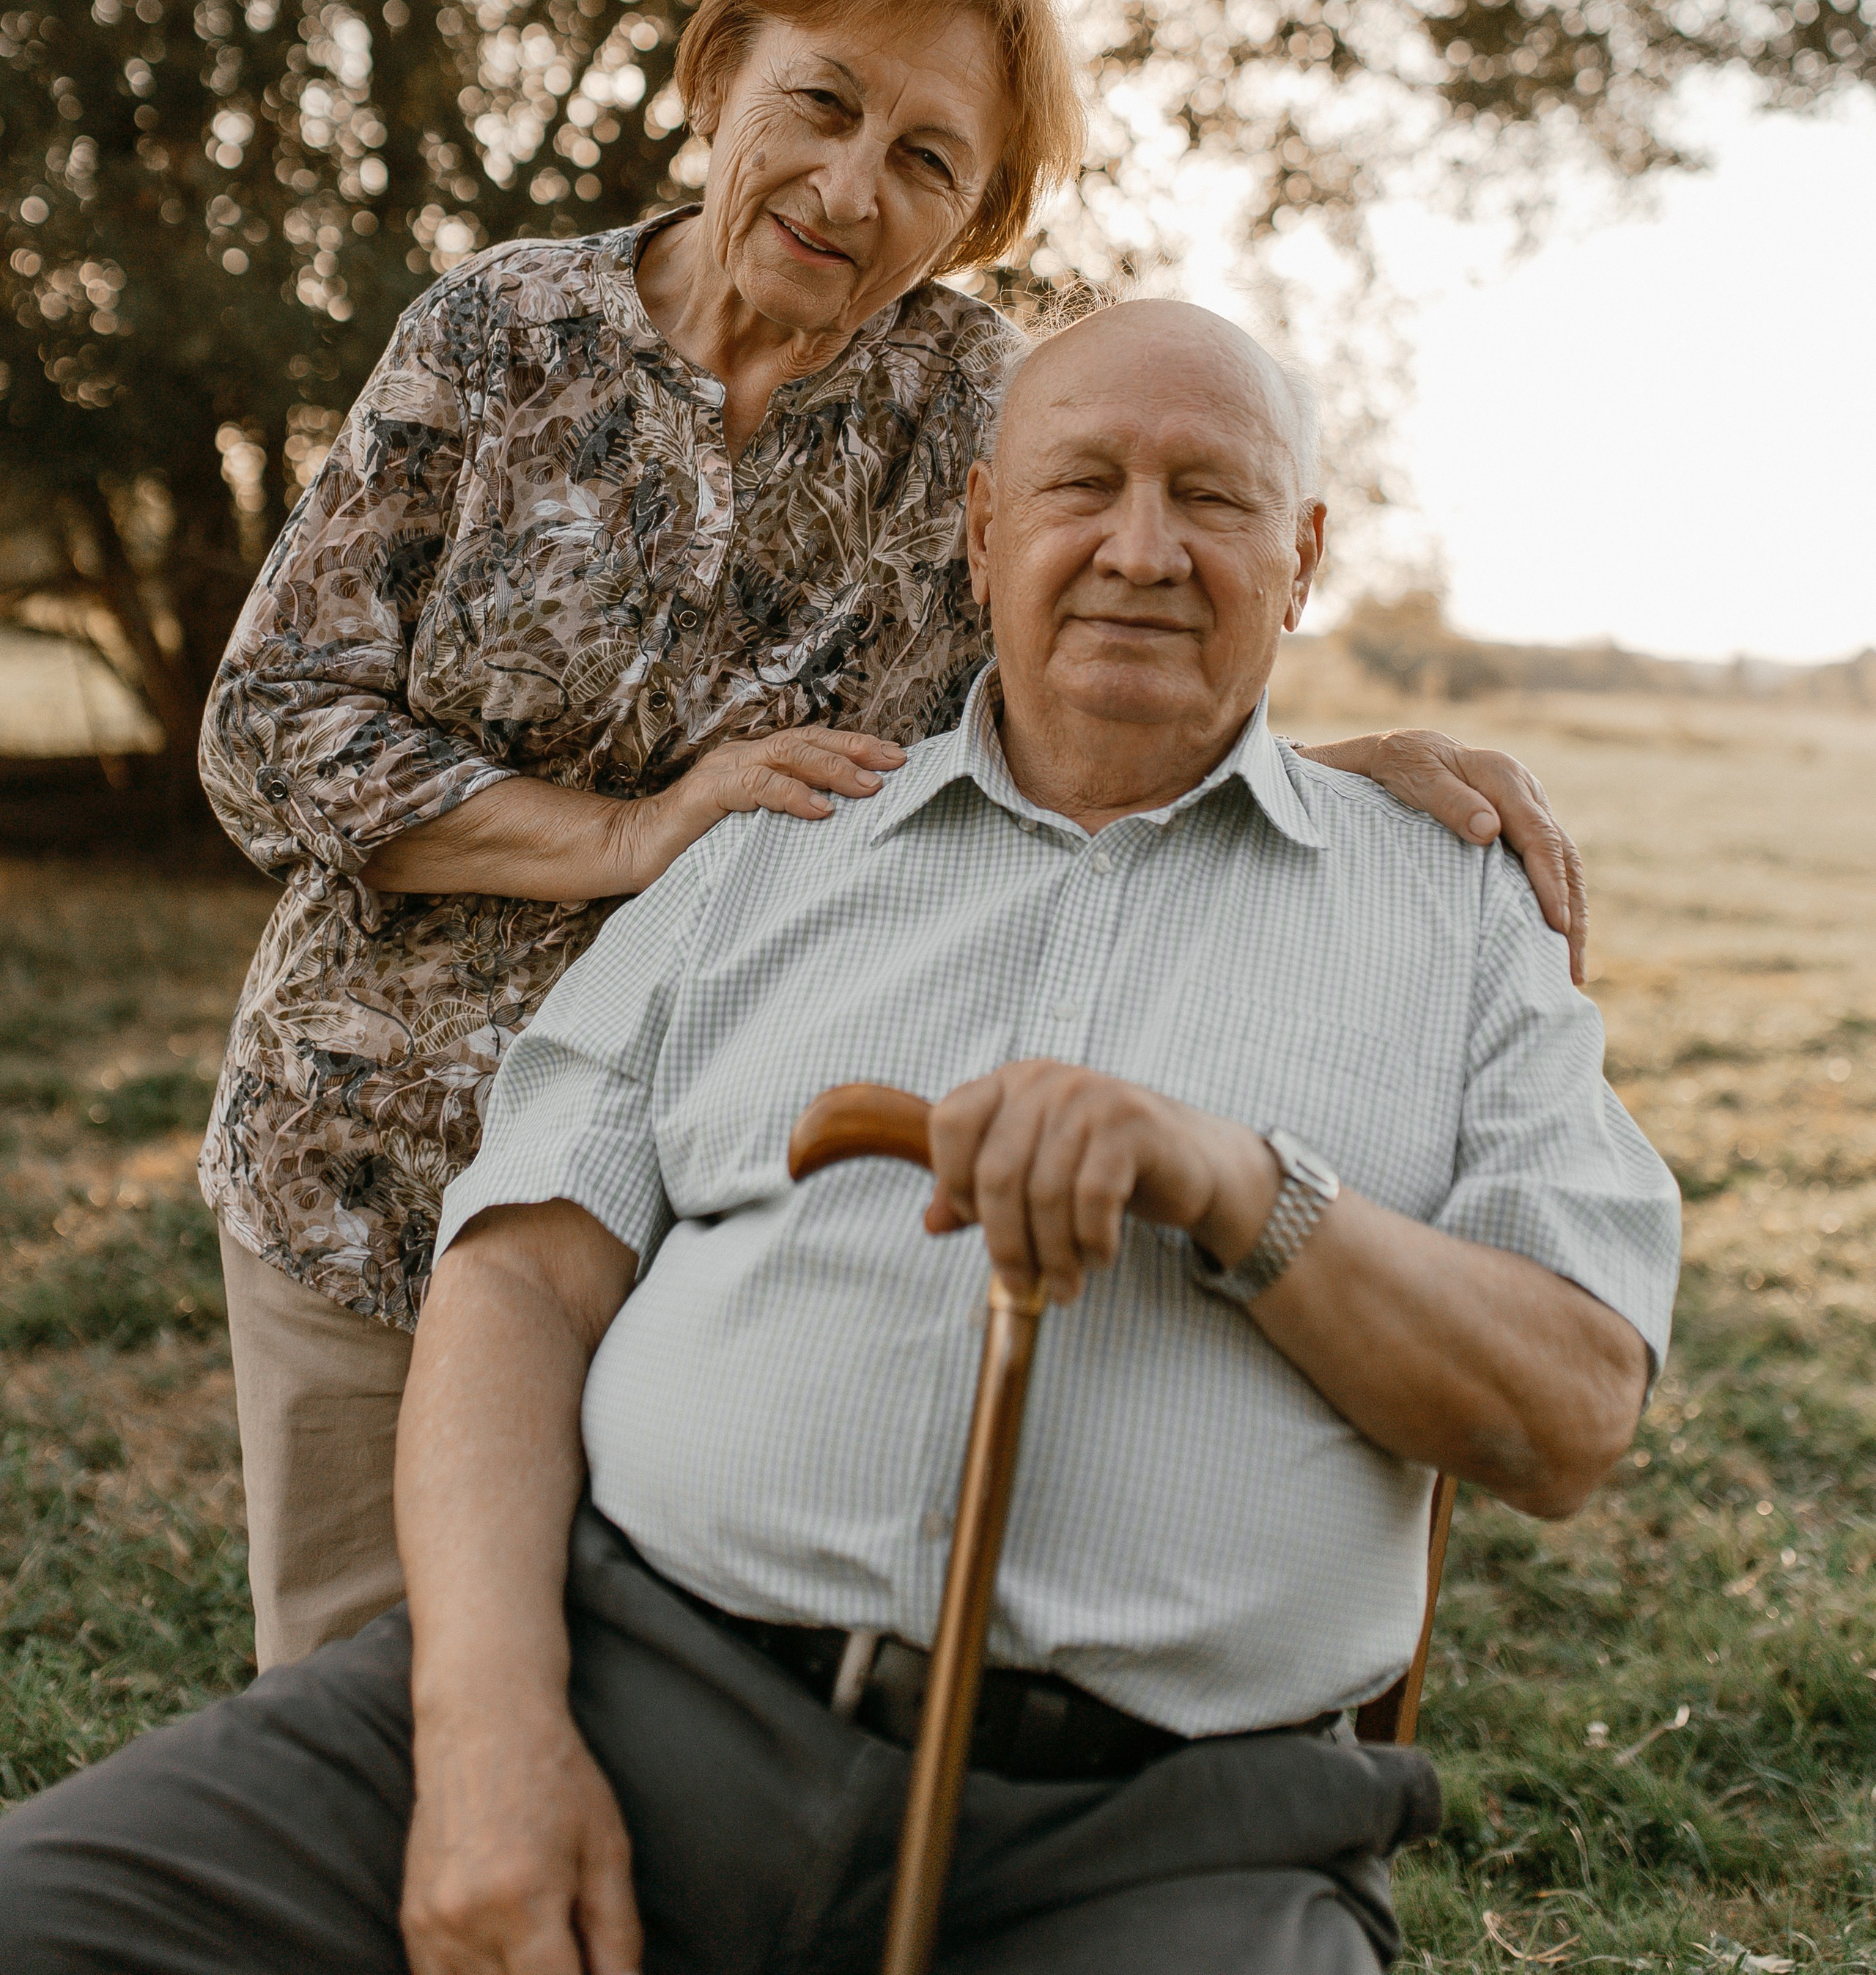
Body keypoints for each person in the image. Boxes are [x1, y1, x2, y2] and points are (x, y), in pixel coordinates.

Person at [2, 300, 1679, 1975]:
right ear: (978, 533)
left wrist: (1241, 1188)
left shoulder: (1452, 908)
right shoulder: (776, 841)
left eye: (1213, 498)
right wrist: (492, 1732)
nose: (1139, 549)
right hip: (635, 1687)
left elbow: (1569, 1413)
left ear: (1301, 555)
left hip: (1157, 1846)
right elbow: (517, 1288)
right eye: (1079, 484)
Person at [196, 0, 1589, 1673]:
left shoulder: (971, 419)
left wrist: (1321, 764)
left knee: (658, 1723)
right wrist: (627, 839)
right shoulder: (496, 336)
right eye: (822, 105)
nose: (853, 191)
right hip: (375, 1153)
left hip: (726, 1190)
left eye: (931, 161)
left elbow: (1065, 690)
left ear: (978, 216)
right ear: (716, 84)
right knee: (378, 1707)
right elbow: (270, 727)